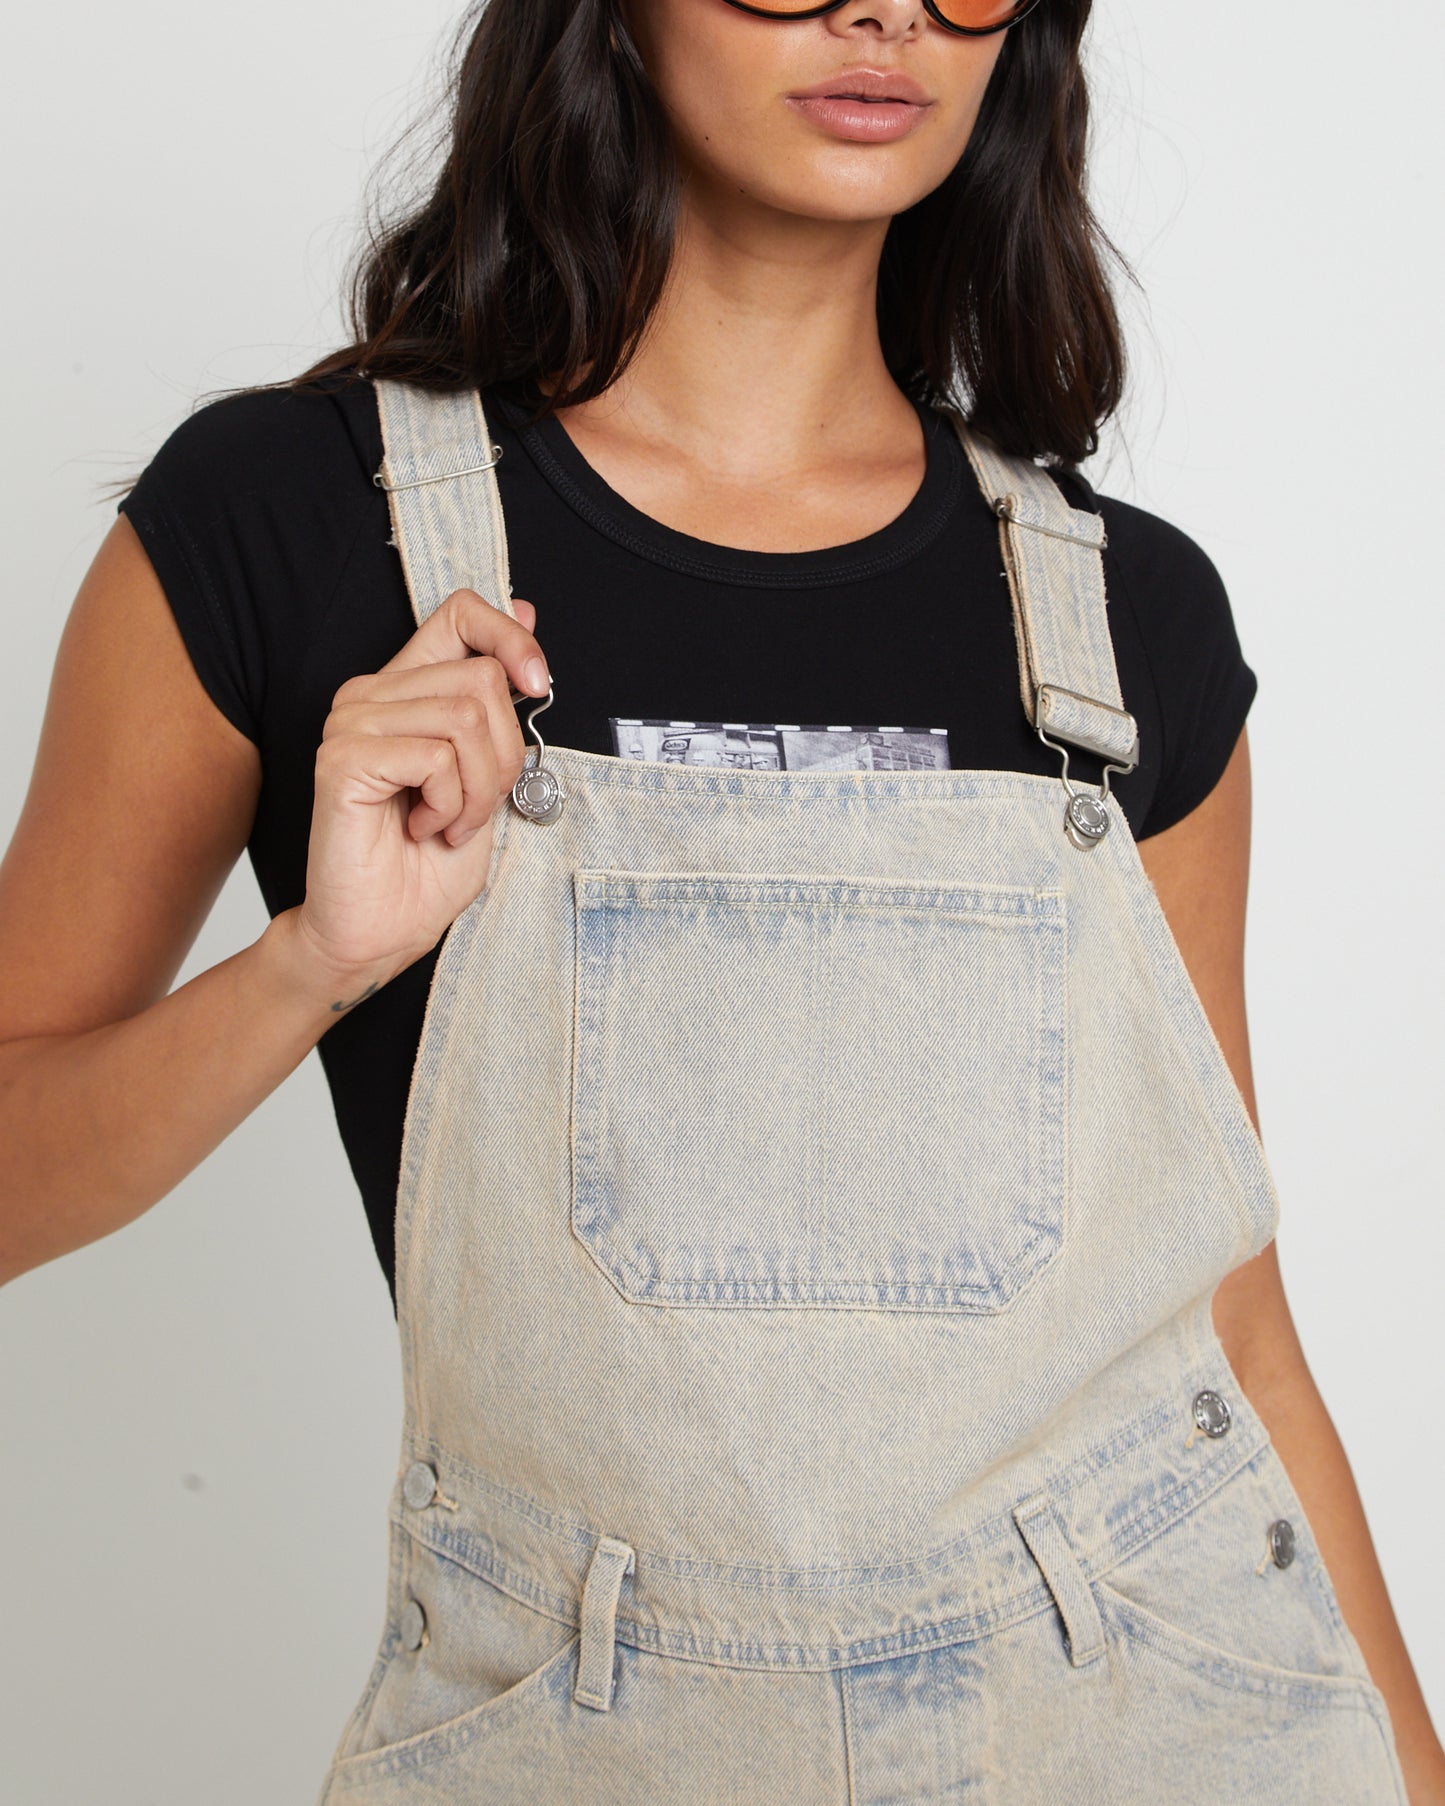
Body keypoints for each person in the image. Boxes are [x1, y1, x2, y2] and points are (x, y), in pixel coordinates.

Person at [1, 0, 1440, 1797]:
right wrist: (316, 960)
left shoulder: (1122, 619)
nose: (884, 13)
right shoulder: (291, 524)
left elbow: (1229, 1318)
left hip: (1140, 1723)